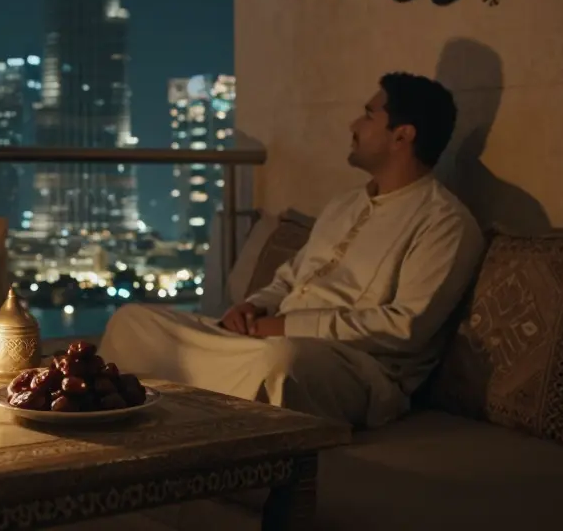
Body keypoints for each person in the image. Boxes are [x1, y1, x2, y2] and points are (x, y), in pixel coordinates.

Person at [99, 73, 485, 428]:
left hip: (354, 366)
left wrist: (285, 327)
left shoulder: (444, 222)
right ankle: (144, 424)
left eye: (368, 116)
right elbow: (290, 279)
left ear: (402, 136)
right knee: (132, 321)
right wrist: (254, 307)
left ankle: (195, 426)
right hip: (267, 338)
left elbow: (404, 328)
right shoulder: (345, 204)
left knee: (279, 364)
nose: (354, 125)